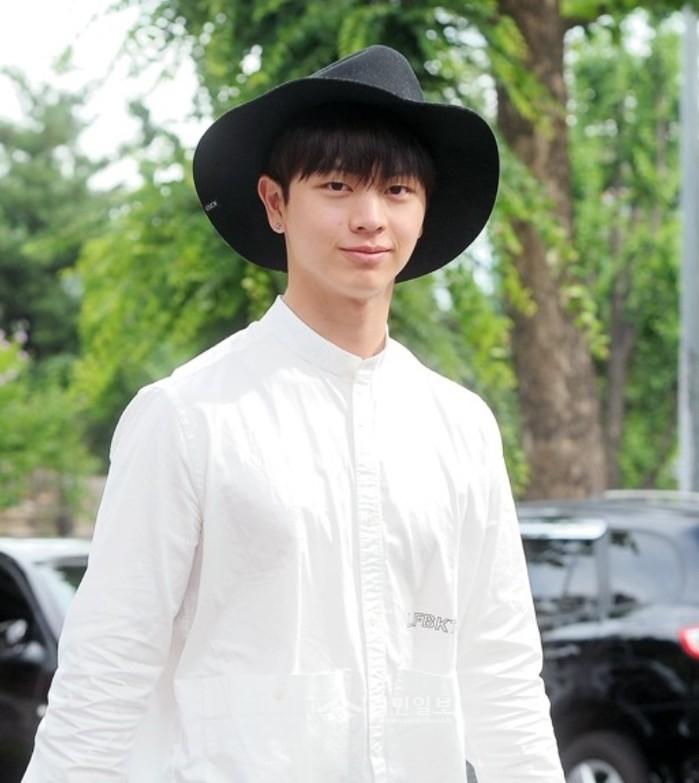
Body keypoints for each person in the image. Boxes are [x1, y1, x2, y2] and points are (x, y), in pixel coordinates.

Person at [22, 45, 565, 783]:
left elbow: (500, 673)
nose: (369, 218)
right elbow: (105, 672)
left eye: (397, 190)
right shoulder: (188, 415)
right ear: (276, 203)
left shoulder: (460, 427)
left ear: (423, 210)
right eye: (337, 185)